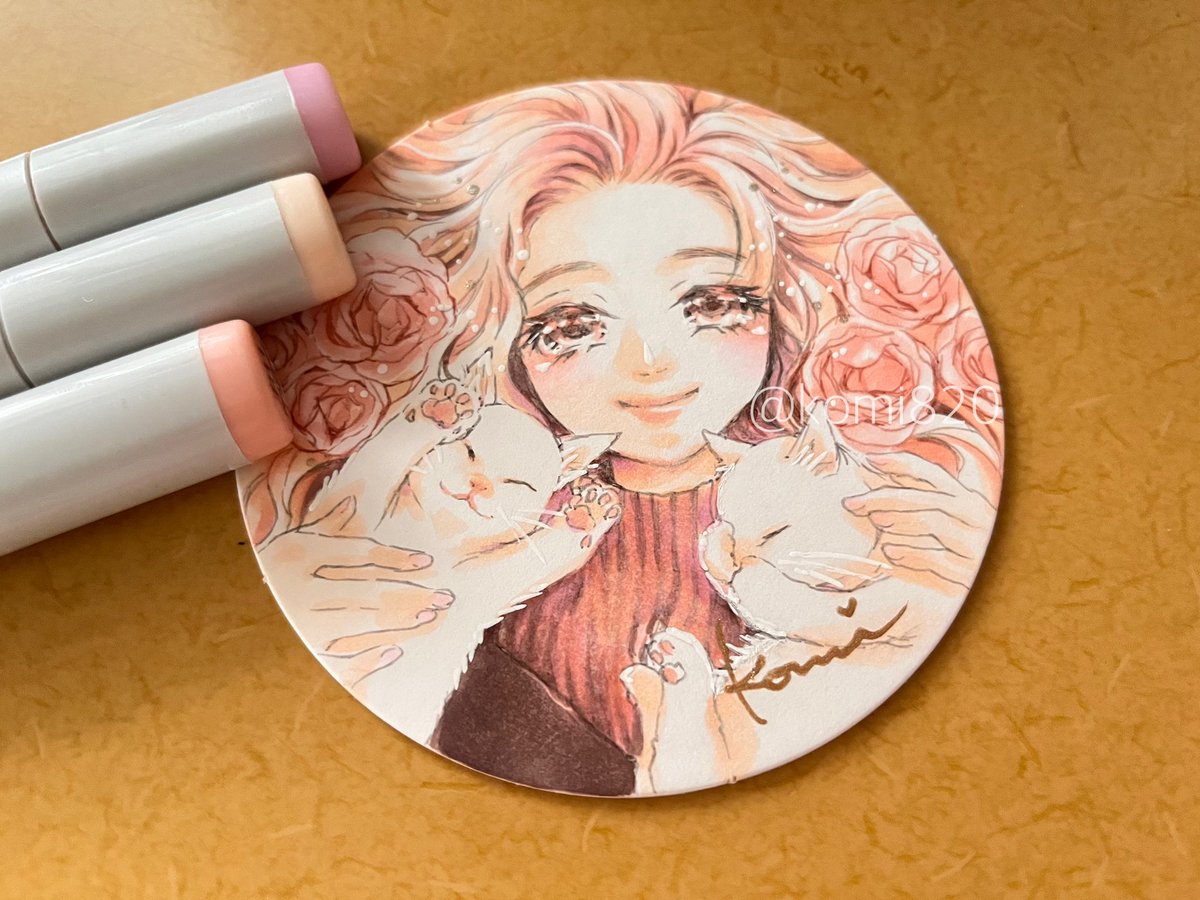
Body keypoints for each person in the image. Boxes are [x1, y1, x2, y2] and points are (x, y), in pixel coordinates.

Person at [243, 82, 1003, 796]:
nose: (651, 362)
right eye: (573, 322)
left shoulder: (859, 509)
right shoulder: (470, 516)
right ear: (501, 342)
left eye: (711, 302)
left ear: (785, 306)